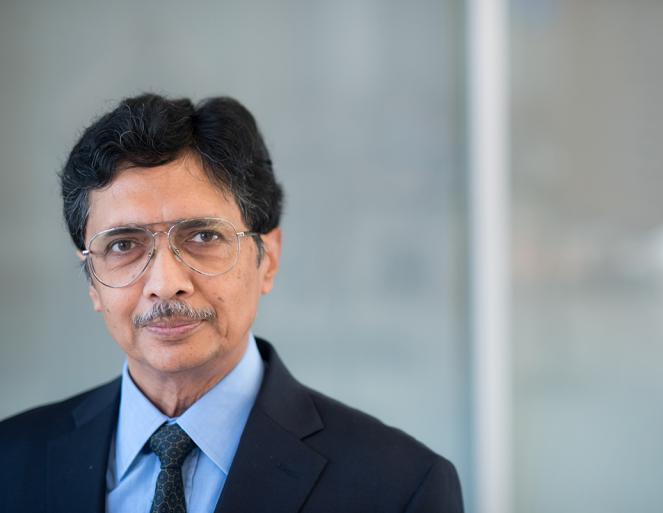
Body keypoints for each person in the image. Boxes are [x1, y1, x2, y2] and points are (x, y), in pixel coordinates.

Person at [0, 94, 464, 512]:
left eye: (203, 236)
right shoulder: (11, 462)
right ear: (92, 282)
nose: (165, 283)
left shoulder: (399, 487)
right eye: (123, 245)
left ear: (268, 259)